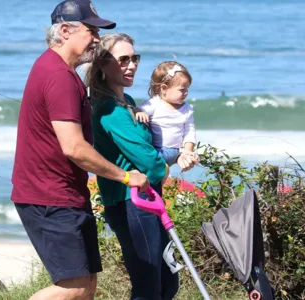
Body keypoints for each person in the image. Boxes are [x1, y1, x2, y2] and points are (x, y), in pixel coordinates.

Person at [10, 1, 149, 299]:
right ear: (64, 30)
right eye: (91, 30)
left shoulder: (58, 69)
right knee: (73, 290)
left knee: (86, 288)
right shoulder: (58, 76)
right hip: (49, 196)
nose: (97, 39)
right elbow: (74, 148)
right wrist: (125, 177)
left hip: (63, 194)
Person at [85, 33, 198, 300]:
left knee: (167, 281)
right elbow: (149, 162)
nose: (132, 65)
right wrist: (170, 161)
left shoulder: (130, 104)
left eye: (134, 58)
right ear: (102, 64)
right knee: (149, 286)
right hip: (130, 203)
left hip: (148, 199)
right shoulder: (110, 110)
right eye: (123, 59)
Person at [135, 61, 199, 167]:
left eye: (187, 89)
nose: (186, 93)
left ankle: (180, 161)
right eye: (182, 90)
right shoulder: (155, 103)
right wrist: (139, 112)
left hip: (175, 152)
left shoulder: (187, 109)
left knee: (190, 158)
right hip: (156, 151)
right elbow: (139, 109)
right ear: (164, 88)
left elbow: (190, 131)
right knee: (153, 174)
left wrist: (188, 150)